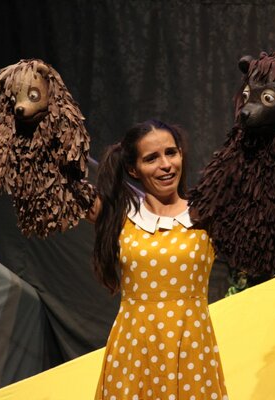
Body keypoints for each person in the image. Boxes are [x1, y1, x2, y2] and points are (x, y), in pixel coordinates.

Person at [88, 119, 229, 400]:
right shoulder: (121, 215)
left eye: (171, 153)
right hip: (134, 353)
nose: (166, 165)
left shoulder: (205, 214)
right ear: (133, 169)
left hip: (191, 351)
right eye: (151, 158)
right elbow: (58, 187)